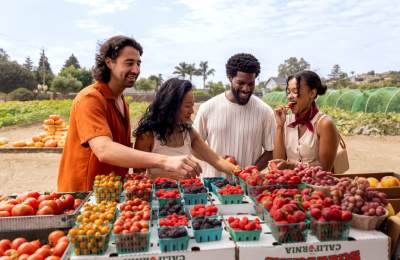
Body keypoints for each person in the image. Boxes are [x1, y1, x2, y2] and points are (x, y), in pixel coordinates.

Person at [57, 35, 201, 192]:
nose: (136, 70)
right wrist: (165, 160)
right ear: (109, 62)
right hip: (86, 193)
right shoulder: (90, 98)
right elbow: (104, 149)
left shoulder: (121, 101)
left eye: (138, 63)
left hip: (110, 191)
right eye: (129, 63)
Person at [134, 78, 239, 180]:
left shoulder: (189, 133)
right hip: (160, 196)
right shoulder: (147, 136)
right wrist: (168, 177)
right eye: (188, 106)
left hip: (187, 195)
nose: (192, 111)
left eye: (192, 106)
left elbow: (216, 160)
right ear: (171, 106)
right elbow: (138, 177)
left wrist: (243, 173)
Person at [193, 53, 276, 177]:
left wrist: (249, 173)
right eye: (241, 83)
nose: (246, 89)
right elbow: (194, 145)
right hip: (213, 186)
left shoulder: (265, 111)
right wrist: (218, 162)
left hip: (248, 188)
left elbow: (271, 151)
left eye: (251, 84)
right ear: (229, 78)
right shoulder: (207, 108)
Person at [272, 70, 339, 171]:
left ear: (312, 93)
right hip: (289, 184)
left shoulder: (324, 124)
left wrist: (292, 166)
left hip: (316, 185)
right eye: (288, 92)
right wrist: (279, 126)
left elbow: (325, 168)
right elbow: (277, 164)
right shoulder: (286, 121)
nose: (290, 96)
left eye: (295, 91)